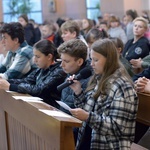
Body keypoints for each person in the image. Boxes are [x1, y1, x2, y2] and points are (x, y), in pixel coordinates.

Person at [68, 39, 138, 149]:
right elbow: (88, 110)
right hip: (89, 141)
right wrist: (78, 91)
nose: (91, 64)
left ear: (109, 60)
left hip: (109, 145)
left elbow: (116, 127)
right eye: (91, 59)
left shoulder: (123, 86)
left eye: (96, 60)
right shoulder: (99, 78)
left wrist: (87, 116)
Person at [0, 39, 66, 108]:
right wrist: (5, 81)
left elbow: (39, 89)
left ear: (49, 56)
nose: (34, 60)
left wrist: (11, 86)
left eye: (38, 57)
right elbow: (26, 80)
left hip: (53, 108)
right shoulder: (40, 69)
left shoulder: (59, 71)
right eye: (34, 56)